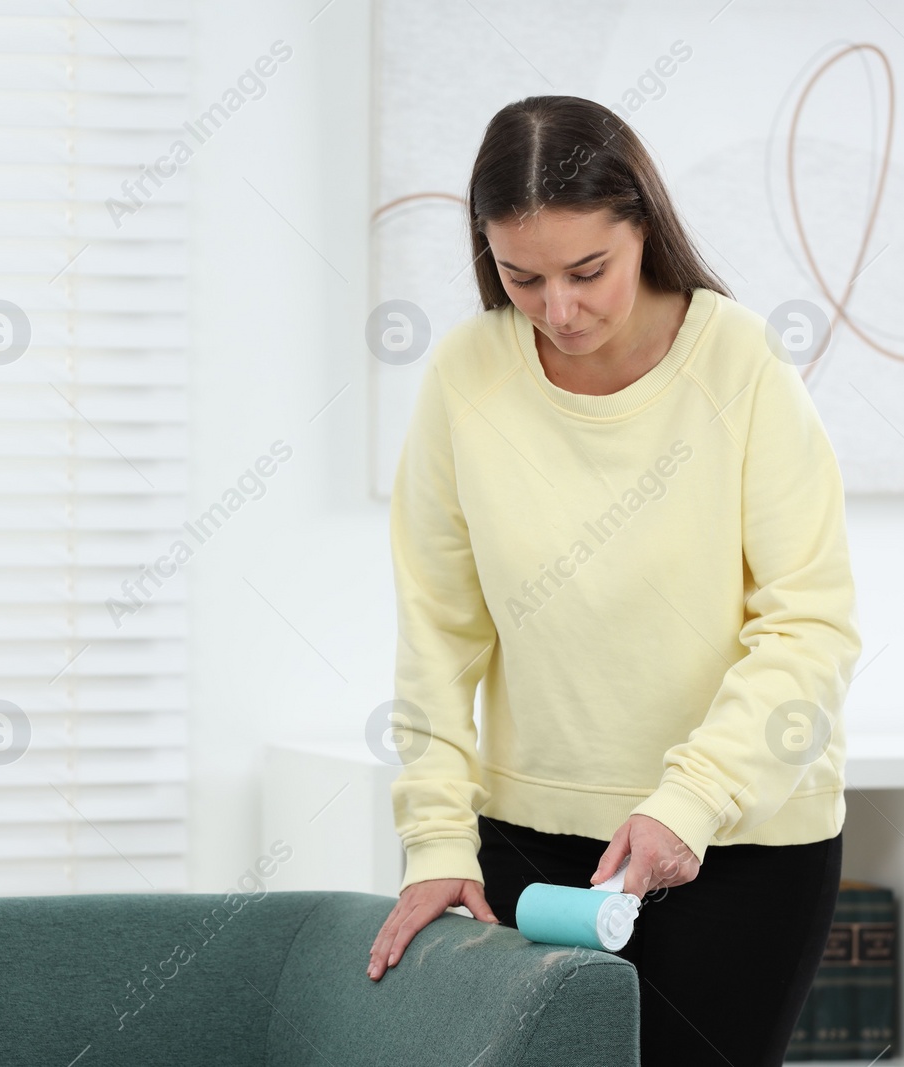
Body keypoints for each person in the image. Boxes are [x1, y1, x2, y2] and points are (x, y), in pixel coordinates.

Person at [365, 95, 861, 1067]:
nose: (559, 309)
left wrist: (690, 798)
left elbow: (810, 624)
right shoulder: (468, 375)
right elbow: (436, 627)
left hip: (738, 845)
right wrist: (434, 840)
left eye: (588, 271)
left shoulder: (741, 364)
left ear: (643, 224)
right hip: (530, 835)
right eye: (522, 277)